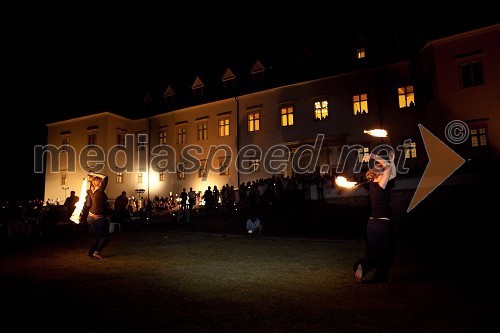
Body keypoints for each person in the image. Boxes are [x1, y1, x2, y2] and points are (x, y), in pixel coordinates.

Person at [353, 151, 396, 283]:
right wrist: (373, 156)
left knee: (374, 252)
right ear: (381, 172)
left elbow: (392, 173)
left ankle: (362, 266)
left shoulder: (373, 184)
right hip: (382, 225)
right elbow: (388, 168)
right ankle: (380, 278)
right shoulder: (380, 184)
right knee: (388, 253)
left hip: (371, 225)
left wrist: (391, 160)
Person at [86, 171, 110, 259]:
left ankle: (91, 252)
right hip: (98, 218)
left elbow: (91, 182)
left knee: (97, 236)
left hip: (90, 217)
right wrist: (94, 173)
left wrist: (91, 177)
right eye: (99, 181)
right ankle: (96, 252)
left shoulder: (91, 191)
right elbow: (106, 177)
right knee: (105, 237)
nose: (101, 182)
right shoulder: (99, 191)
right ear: (97, 183)